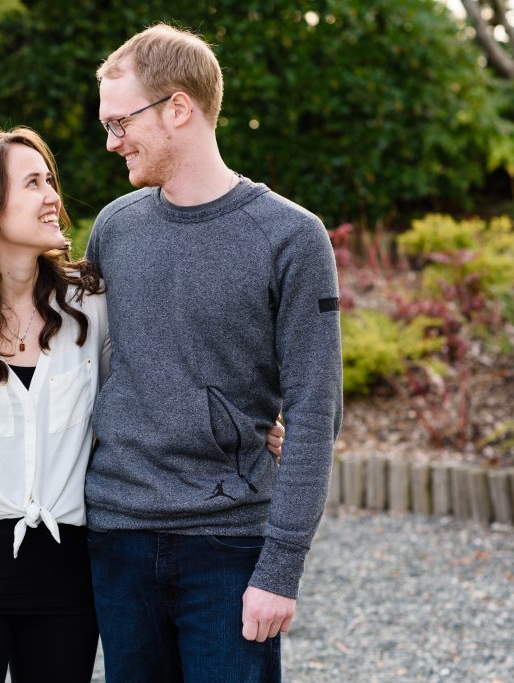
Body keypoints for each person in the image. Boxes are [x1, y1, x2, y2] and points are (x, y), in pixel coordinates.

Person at [0, 123, 292, 682]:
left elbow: (152, 378)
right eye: (33, 183)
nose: (53, 197)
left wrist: (244, 421)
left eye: (50, 180)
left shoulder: (88, 308)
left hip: (70, 573)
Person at [85, 24, 343, 683]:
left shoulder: (291, 237)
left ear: (178, 108)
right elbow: (80, 367)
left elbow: (316, 408)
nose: (111, 141)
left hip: (230, 545)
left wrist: (280, 569)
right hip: (117, 537)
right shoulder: (114, 228)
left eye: (121, 123)